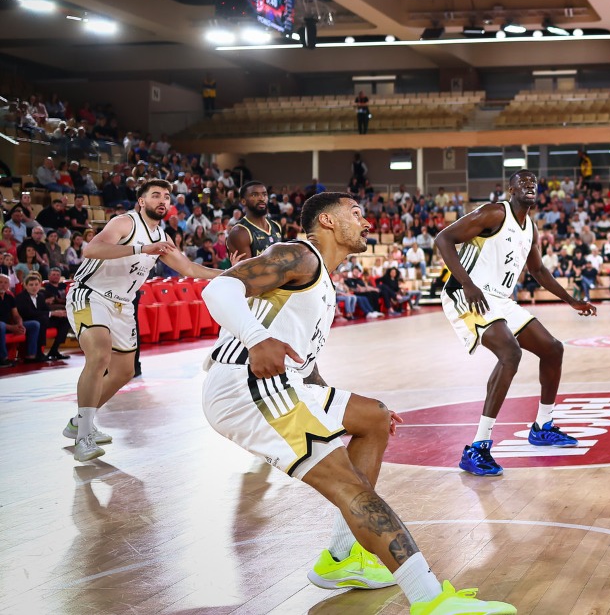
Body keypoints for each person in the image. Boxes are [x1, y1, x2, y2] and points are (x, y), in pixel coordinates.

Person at [200, 192, 513, 614]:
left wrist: (331, 406)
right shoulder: (298, 255)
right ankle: (431, 600)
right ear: (327, 222)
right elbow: (219, 287)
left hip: (286, 381)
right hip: (247, 385)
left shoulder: (322, 278)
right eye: (356, 213)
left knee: (374, 418)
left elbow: (305, 363)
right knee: (348, 485)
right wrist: (257, 339)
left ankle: (341, 556)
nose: (367, 222)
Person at [435, 169, 597, 478]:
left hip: (499, 299)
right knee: (510, 353)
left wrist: (571, 300)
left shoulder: (530, 228)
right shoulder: (494, 213)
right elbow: (443, 239)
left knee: (553, 349)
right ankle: (477, 447)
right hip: (466, 294)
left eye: (533, 182)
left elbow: (539, 271)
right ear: (511, 190)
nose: (529, 185)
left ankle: (543, 426)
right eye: (522, 182)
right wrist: (467, 283)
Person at [62, 179, 228, 463]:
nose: (162, 200)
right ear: (141, 201)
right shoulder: (124, 223)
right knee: (99, 355)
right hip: (91, 294)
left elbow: (188, 268)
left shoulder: (163, 236)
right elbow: (91, 250)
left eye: (166, 196)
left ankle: (79, 422)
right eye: (155, 195)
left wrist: (229, 273)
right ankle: (84, 436)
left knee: (124, 371)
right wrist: (141, 249)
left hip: (123, 305)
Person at [227, 182, 282, 259]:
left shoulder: (276, 226)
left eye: (264, 194)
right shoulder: (239, 232)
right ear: (243, 201)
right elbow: (248, 266)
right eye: (255, 195)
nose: (262, 198)